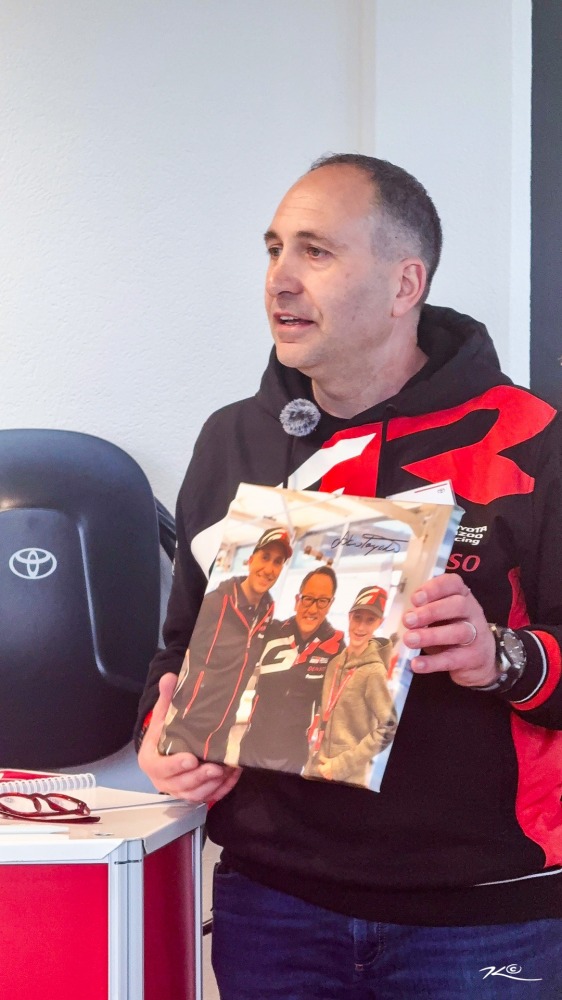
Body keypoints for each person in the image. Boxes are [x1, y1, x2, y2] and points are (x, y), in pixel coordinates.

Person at [136, 154, 562, 998]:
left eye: (317, 251)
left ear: (406, 284)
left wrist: (500, 658)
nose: (281, 279)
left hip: (482, 916)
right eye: (274, 249)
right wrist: (164, 734)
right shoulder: (233, 439)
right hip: (273, 904)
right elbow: (180, 648)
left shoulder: (532, 440)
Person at [158, 526, 291, 763]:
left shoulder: (266, 613)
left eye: (278, 562)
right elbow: (175, 647)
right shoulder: (213, 604)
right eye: (265, 557)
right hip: (184, 730)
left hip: (220, 738)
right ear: (251, 560)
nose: (269, 568)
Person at [238, 566, 345, 773]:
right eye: (308, 599)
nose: (312, 609)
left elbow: (336, 706)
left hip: (293, 756)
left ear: (330, 604)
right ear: (298, 600)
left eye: (322, 601)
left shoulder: (335, 646)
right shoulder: (272, 631)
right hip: (252, 747)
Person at [304, 585, 397, 787]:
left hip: (347, 776)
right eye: (357, 617)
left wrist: (341, 765)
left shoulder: (374, 671)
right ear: (349, 617)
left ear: (379, 623)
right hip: (316, 764)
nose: (361, 627)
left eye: (370, 620)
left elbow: (389, 727)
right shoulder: (334, 664)